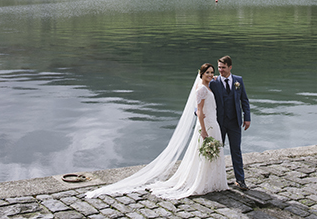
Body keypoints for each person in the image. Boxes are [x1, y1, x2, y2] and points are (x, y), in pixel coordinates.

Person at [85, 63, 228, 200]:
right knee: (202, 154)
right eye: (207, 72)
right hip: (206, 125)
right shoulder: (201, 89)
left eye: (211, 72)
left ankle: (212, 181)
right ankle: (203, 182)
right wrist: (203, 130)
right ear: (201, 74)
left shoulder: (207, 86)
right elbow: (200, 111)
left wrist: (214, 78)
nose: (210, 75)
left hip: (213, 123)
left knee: (211, 153)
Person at [210, 55, 251, 191]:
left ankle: (240, 180)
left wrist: (247, 118)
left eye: (223, 68)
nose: (220, 70)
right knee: (216, 151)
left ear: (230, 67)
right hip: (219, 123)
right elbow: (203, 96)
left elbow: (244, 100)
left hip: (235, 122)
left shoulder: (238, 80)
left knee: (236, 151)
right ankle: (215, 179)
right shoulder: (214, 82)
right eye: (219, 67)